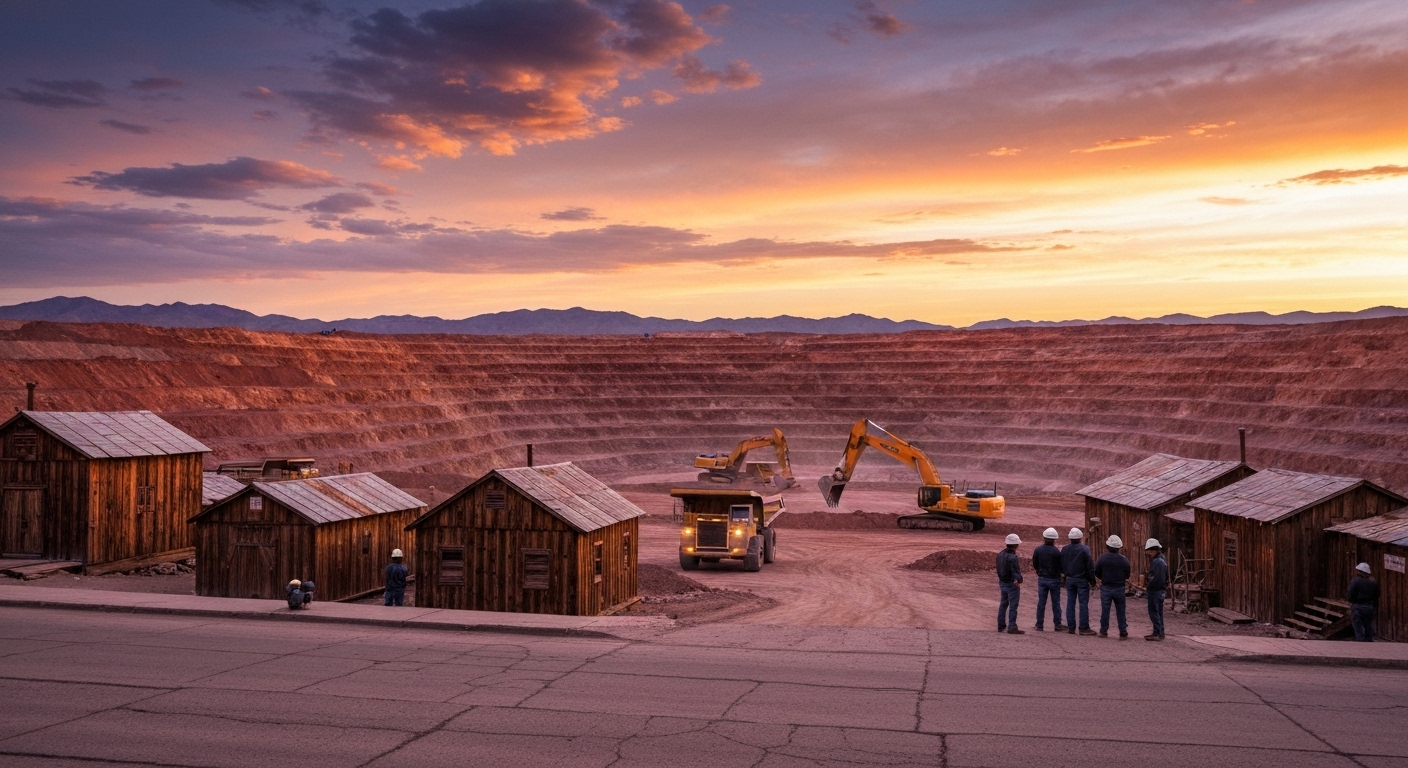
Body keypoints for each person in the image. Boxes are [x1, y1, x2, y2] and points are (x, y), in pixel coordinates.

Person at [1094, 535, 1130, 639]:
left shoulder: (1103, 559)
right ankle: (1123, 632)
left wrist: (1104, 578)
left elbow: (1097, 572)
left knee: (1105, 610)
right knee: (1121, 610)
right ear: (1119, 547)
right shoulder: (1124, 560)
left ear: (1108, 546)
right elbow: (1127, 575)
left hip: (1106, 588)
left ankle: (1103, 631)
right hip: (1119, 588)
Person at [1062, 527, 1097, 636]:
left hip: (1070, 579)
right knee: (1083, 604)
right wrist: (1092, 580)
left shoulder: (1065, 549)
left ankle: (1071, 627)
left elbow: (1062, 564)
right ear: (1080, 538)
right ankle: (1083, 628)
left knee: (1070, 603)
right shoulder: (1085, 550)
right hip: (1082, 580)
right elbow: (1089, 566)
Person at [1031, 527, 1065, 632]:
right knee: (1056, 602)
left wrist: (1039, 572)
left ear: (1044, 538)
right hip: (1054, 579)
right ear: (1055, 539)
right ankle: (1058, 624)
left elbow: (1035, 563)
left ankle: (1039, 624)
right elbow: (1061, 566)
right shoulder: (1057, 552)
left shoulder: (1038, 550)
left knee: (1041, 602)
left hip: (1042, 578)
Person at [996, 533, 1024, 634]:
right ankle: (1012, 626)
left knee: (1003, 604)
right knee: (1013, 606)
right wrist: (1019, 580)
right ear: (1016, 545)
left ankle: (1001, 625)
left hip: (1002, 582)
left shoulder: (1000, 554)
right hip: (1011, 584)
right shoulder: (1013, 557)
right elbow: (1016, 572)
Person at [1347, 562, 1379, 642]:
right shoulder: (1373, 582)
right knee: (1368, 625)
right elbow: (1377, 595)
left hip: (1357, 606)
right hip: (1369, 607)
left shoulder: (1355, 581)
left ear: (1359, 571)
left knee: (1358, 627)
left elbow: (1350, 594)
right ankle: (1369, 641)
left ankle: (1360, 644)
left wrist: (1352, 601)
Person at [1143, 539, 1167, 641]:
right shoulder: (1162, 560)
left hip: (1155, 590)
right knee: (1158, 612)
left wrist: (1149, 585)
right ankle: (1160, 632)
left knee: (1154, 612)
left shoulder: (1157, 562)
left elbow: (1155, 577)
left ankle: (1157, 632)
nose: (1149, 553)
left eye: (1150, 551)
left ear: (1154, 550)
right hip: (1160, 590)